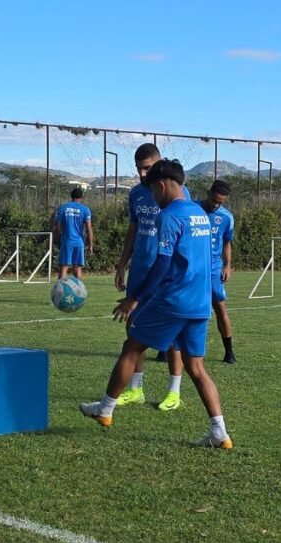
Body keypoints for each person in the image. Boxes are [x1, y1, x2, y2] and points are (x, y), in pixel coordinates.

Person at [80, 159, 232, 449]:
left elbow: (162, 264)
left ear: (161, 186)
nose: (152, 196)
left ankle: (105, 409)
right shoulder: (199, 213)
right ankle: (219, 432)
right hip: (200, 304)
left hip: (174, 300)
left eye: (152, 191)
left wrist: (134, 298)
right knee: (196, 367)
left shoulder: (169, 216)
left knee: (132, 346)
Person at [113, 144, 183, 411]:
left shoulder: (177, 192)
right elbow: (133, 229)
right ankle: (136, 389)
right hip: (140, 269)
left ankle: (174, 392)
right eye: (138, 169)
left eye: (147, 168)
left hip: (165, 273)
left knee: (173, 334)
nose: (143, 174)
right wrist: (122, 264)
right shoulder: (136, 194)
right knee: (133, 328)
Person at [203, 180, 237, 364]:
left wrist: (227, 265)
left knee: (220, 308)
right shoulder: (194, 210)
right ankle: (165, 349)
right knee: (180, 306)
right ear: (208, 193)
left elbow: (226, 242)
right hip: (193, 268)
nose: (216, 205)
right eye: (214, 200)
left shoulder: (226, 217)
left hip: (214, 268)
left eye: (220, 202)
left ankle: (229, 351)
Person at [53, 188, 94, 279]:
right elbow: (89, 229)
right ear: (82, 197)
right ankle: (79, 288)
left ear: (71, 196)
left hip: (67, 241)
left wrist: (58, 238)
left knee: (64, 268)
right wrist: (91, 245)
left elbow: (57, 227)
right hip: (79, 242)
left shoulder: (63, 208)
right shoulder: (85, 210)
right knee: (77, 270)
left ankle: (61, 288)